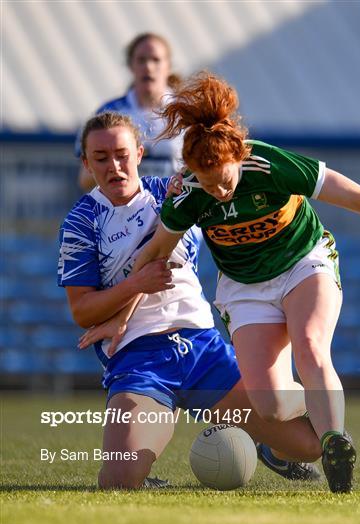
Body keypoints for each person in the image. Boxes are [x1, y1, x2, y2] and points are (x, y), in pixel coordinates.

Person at [84, 73, 360, 494]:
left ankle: (336, 440)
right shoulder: (189, 192)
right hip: (245, 287)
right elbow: (152, 257)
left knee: (311, 345)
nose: (220, 192)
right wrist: (122, 318)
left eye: (224, 179)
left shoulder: (270, 165)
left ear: (237, 155)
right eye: (207, 184)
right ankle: (317, 406)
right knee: (271, 403)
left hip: (304, 263)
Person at [59, 111, 323, 490]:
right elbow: (82, 311)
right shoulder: (81, 222)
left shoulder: (175, 191)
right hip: (139, 361)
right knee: (118, 480)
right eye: (101, 158)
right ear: (86, 163)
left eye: (121, 153)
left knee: (310, 446)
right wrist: (135, 287)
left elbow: (230, 178)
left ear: (138, 151)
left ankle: (267, 445)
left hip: (203, 349)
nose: (114, 166)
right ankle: (149, 467)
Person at [76, 33, 183, 192]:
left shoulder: (188, 112)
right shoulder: (108, 113)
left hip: (177, 210)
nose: (148, 67)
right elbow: (85, 180)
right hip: (126, 212)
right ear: (130, 65)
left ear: (169, 66)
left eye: (156, 60)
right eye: (141, 60)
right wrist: (123, 157)